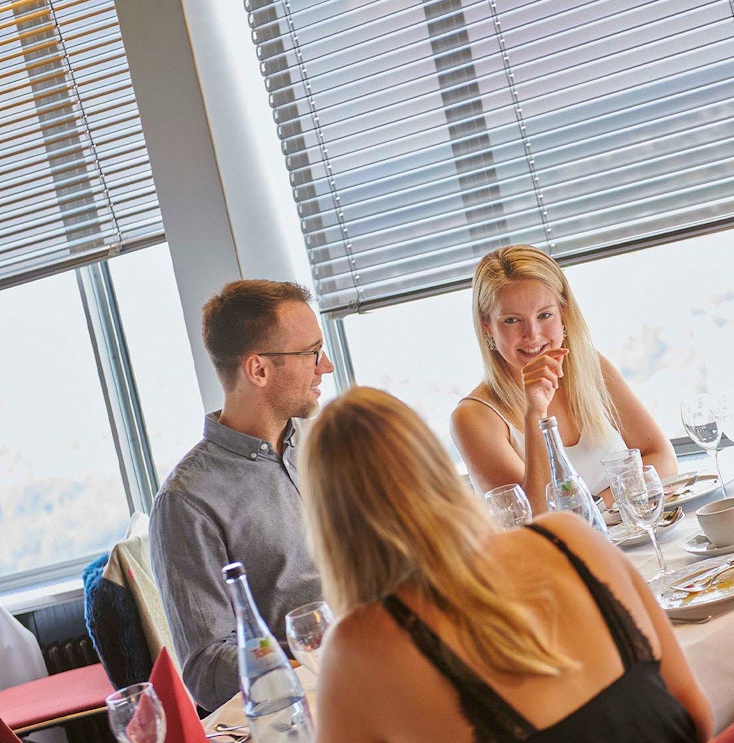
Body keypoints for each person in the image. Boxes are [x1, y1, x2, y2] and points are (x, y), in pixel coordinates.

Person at [301, 386, 712, 743]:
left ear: (328, 523)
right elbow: (697, 714)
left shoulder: (359, 646)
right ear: (437, 470)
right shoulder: (570, 537)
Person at [149, 279, 333, 711]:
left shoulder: (326, 444)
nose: (324, 365)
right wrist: (318, 658)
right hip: (307, 707)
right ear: (259, 370)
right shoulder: (187, 501)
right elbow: (207, 670)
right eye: (311, 352)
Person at [451, 245, 675, 512]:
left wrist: (598, 506)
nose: (532, 335)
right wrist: (535, 412)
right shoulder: (473, 418)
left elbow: (662, 459)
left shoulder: (591, 367)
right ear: (487, 324)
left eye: (544, 315)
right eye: (512, 320)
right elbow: (536, 518)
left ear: (563, 312)